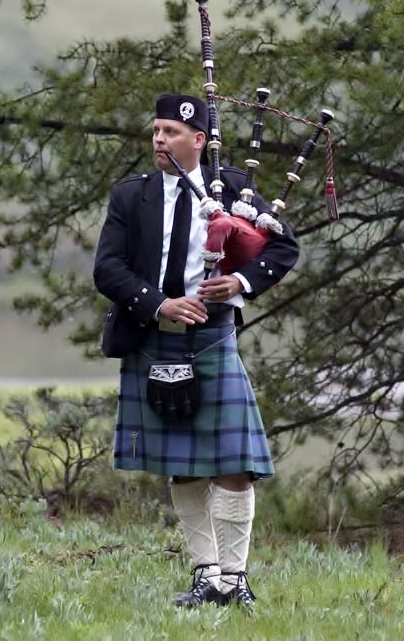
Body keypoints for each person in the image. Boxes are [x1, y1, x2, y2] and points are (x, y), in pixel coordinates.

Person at [93, 93, 299, 608]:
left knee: (235, 462)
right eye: (156, 130)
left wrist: (240, 283)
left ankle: (235, 579)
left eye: (171, 132)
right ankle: (206, 574)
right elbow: (107, 269)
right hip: (154, 338)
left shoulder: (234, 188)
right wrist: (159, 304)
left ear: (199, 140)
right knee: (181, 462)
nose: (159, 139)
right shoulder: (130, 196)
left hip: (213, 337)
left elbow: (283, 248)